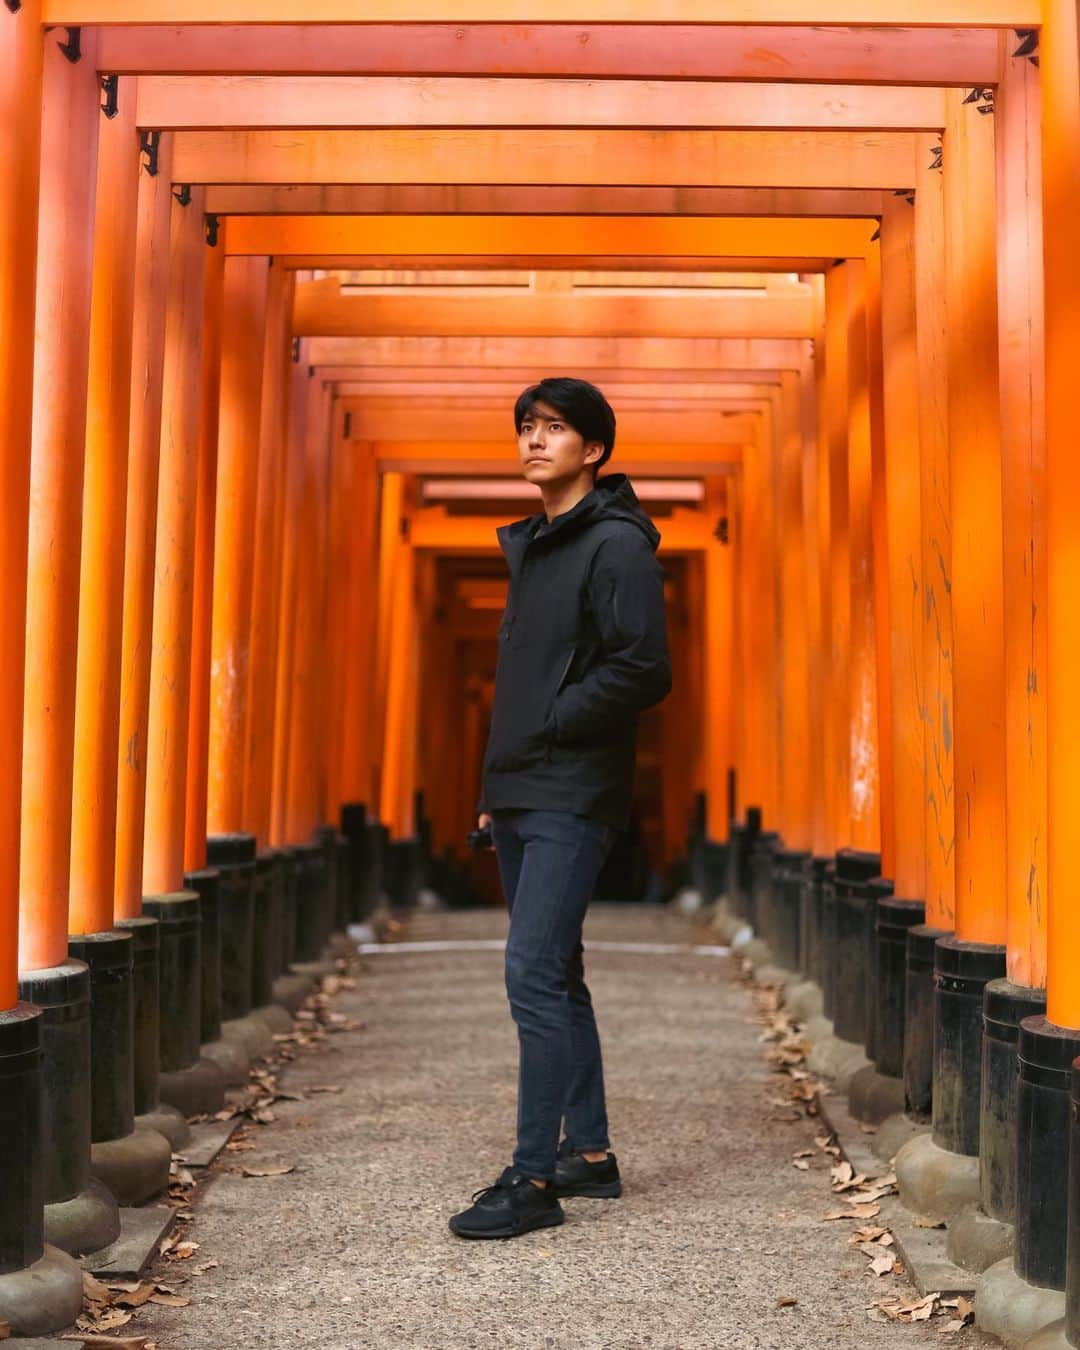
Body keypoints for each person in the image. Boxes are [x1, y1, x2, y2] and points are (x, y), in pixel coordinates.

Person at [448, 377, 672, 1240]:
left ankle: (534, 1179)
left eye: (556, 429)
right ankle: (589, 1156)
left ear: (596, 449)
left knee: (531, 976)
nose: (536, 441)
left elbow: (644, 667)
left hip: (572, 792)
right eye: (527, 427)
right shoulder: (541, 543)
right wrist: (492, 789)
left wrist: (552, 724)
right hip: (522, 791)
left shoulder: (614, 545)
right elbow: (520, 682)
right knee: (558, 974)